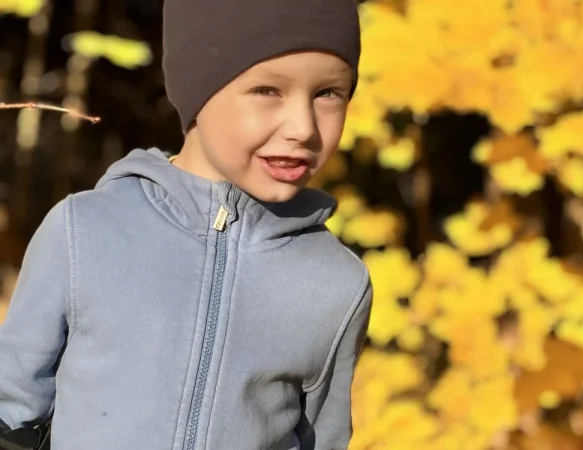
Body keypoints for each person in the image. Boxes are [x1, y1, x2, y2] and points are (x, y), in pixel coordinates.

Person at [0, 0, 373, 448]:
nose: (303, 128)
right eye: (268, 90)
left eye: (328, 93)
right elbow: (10, 411)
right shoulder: (84, 231)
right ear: (198, 87)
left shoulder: (337, 282)